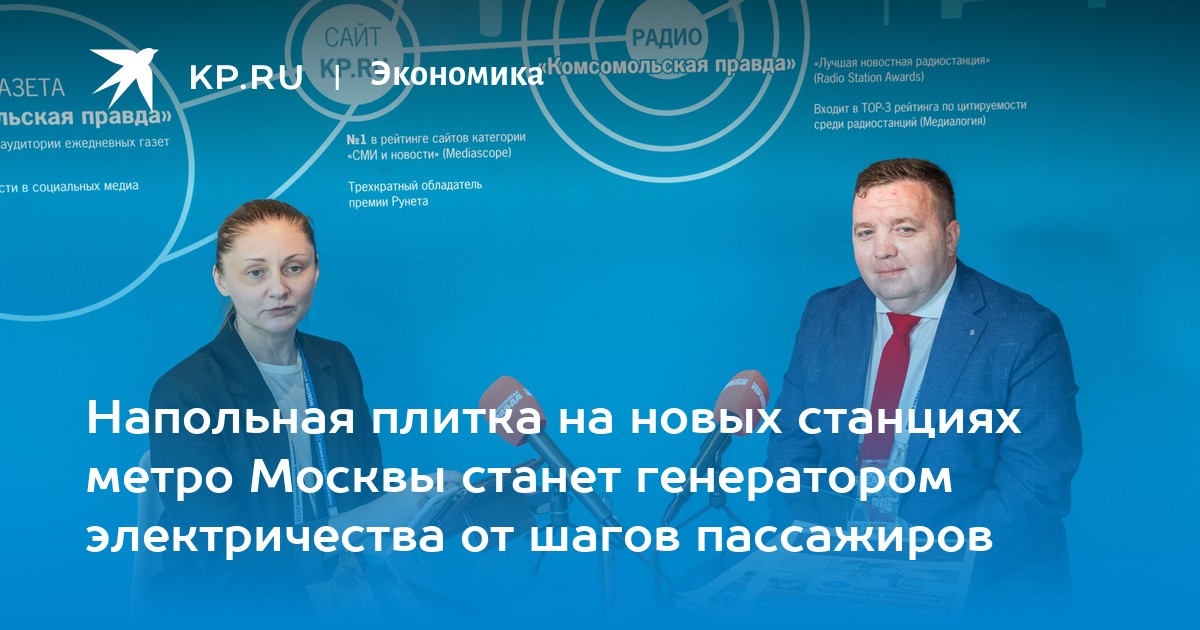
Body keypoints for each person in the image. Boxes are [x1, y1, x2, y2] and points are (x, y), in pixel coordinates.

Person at [765, 158, 1082, 610]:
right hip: (837, 578)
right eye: (865, 232)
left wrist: (917, 579)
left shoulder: (1025, 329)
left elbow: (1034, 487)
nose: (882, 250)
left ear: (950, 238)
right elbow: (791, 450)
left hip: (979, 582)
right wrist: (822, 553)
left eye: (905, 229)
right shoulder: (825, 314)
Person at [147, 199, 443, 612]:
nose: (279, 289)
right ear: (221, 280)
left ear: (315, 270)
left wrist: (425, 504)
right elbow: (228, 562)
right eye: (256, 272)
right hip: (231, 605)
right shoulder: (184, 393)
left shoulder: (336, 362)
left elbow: (365, 494)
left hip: (340, 588)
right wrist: (365, 521)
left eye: (294, 267)